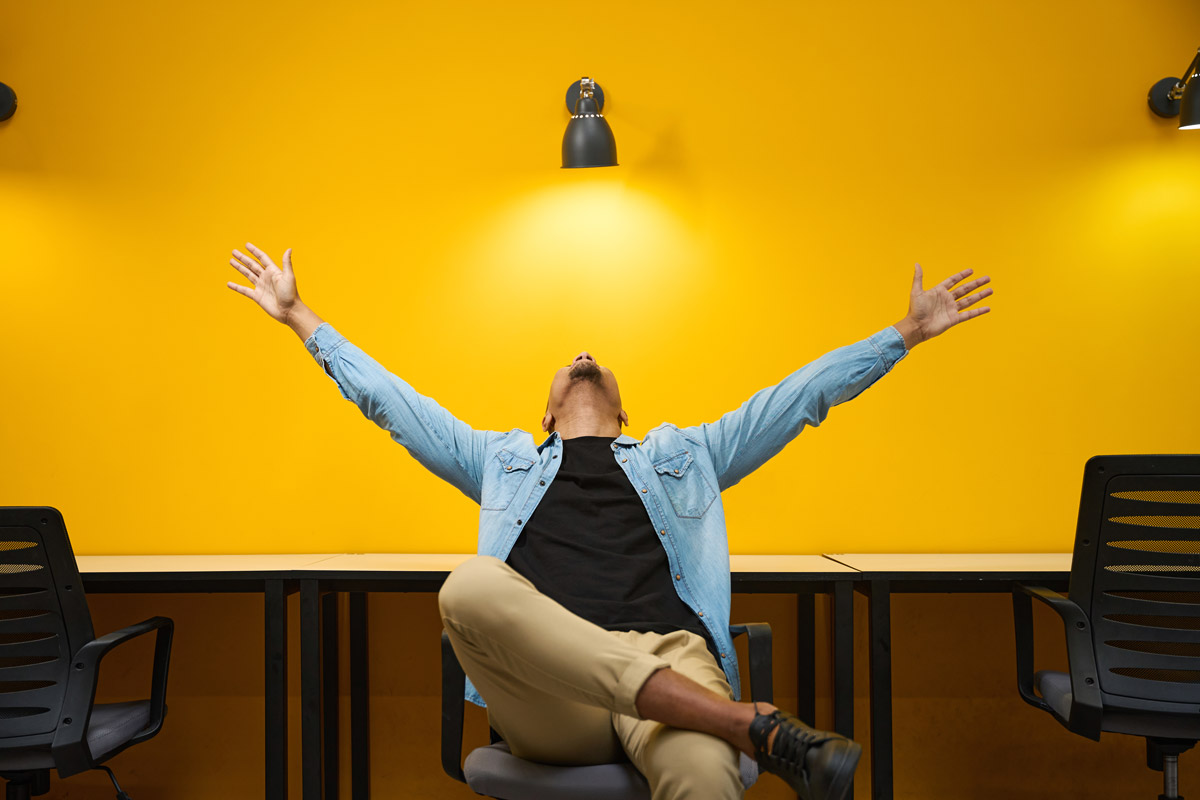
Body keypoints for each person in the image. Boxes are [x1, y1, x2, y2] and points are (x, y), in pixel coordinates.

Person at [226, 243, 992, 800]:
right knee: (468, 590)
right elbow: (392, 404)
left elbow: (797, 398)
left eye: (595, 359)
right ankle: (746, 721)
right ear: (547, 411)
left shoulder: (686, 455)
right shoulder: (502, 462)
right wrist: (299, 317)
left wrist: (907, 332)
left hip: (671, 654)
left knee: (702, 781)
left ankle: (729, 726)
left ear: (625, 411)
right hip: (550, 693)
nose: (584, 353)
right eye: (570, 360)